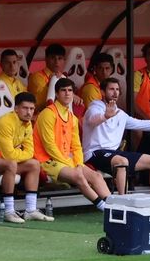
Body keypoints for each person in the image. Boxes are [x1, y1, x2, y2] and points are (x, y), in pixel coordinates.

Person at [82, 76, 150, 197]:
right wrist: (105, 116)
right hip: (94, 153)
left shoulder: (120, 114)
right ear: (102, 92)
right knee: (122, 161)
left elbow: (141, 124)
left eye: (117, 89)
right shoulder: (94, 108)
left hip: (113, 154)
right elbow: (92, 120)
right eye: (111, 89)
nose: (115, 92)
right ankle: (123, 200)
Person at [36, 78, 111, 208]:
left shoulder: (72, 118)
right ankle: (104, 208)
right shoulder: (48, 113)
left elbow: (76, 146)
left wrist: (79, 164)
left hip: (67, 161)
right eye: (63, 90)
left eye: (70, 90)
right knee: (78, 176)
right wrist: (71, 164)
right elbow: (49, 146)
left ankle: (114, 206)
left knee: (96, 176)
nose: (67, 93)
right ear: (56, 93)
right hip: (48, 160)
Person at [0, 91, 51, 222]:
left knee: (34, 164)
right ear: (16, 108)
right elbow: (9, 155)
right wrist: (19, 154)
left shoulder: (27, 124)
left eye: (32, 109)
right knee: (11, 163)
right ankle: (8, 211)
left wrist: (18, 154)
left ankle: (30, 210)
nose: (29, 112)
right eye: (25, 108)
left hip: (3, 161)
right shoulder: (5, 122)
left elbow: (30, 152)